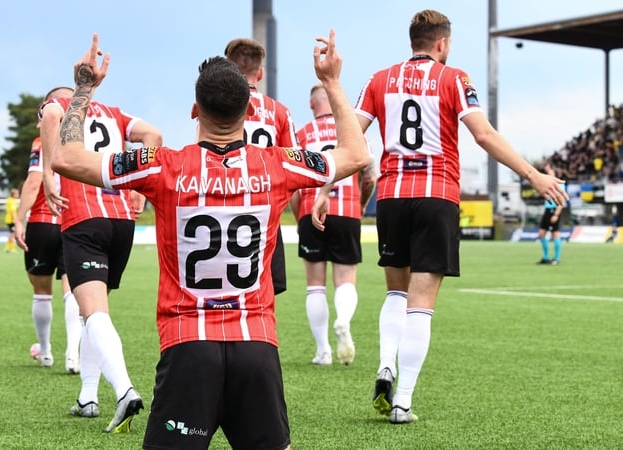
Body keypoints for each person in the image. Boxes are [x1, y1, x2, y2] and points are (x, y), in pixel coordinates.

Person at [52, 30, 371, 450]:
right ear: (248, 111)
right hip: (256, 347)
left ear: (194, 109)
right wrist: (331, 82)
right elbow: (356, 154)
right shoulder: (279, 164)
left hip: (188, 349)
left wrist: (83, 88)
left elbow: (66, 158)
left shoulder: (161, 166)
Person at [311, 9, 569, 424]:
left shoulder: (379, 79)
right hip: (437, 195)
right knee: (422, 302)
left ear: (411, 40)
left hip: (392, 197)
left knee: (395, 292)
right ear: (442, 43)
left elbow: (350, 139)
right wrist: (532, 174)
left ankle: (385, 366)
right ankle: (403, 401)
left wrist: (324, 188)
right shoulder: (455, 79)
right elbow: (482, 134)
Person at [40, 79, 161, 432]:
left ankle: (124, 391)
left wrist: (49, 174)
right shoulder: (115, 114)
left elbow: (50, 115)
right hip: (121, 221)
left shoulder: (60, 107)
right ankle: (87, 397)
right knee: (94, 312)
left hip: (83, 218)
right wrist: (140, 185)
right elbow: (153, 134)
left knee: (93, 312)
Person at [291, 83, 376, 366]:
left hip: (310, 210)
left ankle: (323, 351)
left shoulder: (302, 134)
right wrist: (361, 205)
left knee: (315, 286)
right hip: (348, 209)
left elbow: (293, 186)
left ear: (312, 104)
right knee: (345, 279)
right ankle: (343, 320)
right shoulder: (352, 130)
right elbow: (369, 176)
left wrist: (299, 214)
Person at [13, 88, 82, 374]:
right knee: (73, 291)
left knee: (42, 292)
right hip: (76, 221)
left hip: (43, 222)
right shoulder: (82, 141)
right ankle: (73, 355)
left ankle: (45, 352)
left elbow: (33, 182)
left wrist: (18, 219)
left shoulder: (42, 141)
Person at [225, 37, 300, 296]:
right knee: (264, 294)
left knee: (221, 291)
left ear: (228, 69)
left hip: (222, 208)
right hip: (266, 213)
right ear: (261, 72)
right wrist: (299, 216)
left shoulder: (217, 105)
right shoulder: (280, 111)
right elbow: (294, 166)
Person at [536, 163, 566, 265]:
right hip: (547, 210)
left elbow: (562, 201)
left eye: (549, 170)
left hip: (554, 210)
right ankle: (546, 257)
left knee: (555, 234)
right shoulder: (547, 183)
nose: (548, 172)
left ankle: (556, 259)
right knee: (541, 234)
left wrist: (556, 214)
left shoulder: (559, 184)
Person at [4, 188, 20, 252]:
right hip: (11, 220)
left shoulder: (9, 200)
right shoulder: (12, 201)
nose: (18, 195)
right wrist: (15, 220)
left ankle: (8, 246)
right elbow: (13, 212)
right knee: (12, 234)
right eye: (17, 193)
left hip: (8, 219)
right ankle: (11, 247)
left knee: (11, 233)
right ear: (13, 194)